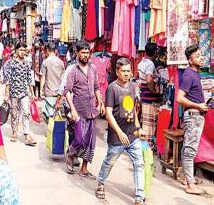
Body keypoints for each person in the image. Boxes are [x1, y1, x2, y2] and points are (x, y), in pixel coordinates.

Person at [95, 58, 146, 205]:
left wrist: (138, 127)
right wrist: (119, 132)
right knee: (109, 162)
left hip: (132, 134)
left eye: (128, 71)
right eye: (123, 71)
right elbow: (109, 114)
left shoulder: (131, 86)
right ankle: (101, 182)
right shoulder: (112, 88)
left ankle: (139, 196)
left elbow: (133, 109)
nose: (126, 74)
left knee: (139, 163)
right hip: (117, 137)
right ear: (117, 72)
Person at [63, 41, 104, 178]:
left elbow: (97, 87)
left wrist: (100, 102)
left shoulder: (93, 69)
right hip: (78, 111)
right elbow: (67, 91)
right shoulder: (73, 71)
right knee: (79, 139)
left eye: (87, 52)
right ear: (77, 53)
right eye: (83, 53)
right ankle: (70, 154)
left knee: (90, 142)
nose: (85, 55)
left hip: (92, 110)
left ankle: (84, 169)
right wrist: (72, 109)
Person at [176, 45, 208, 195]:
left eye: (201, 55)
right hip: (193, 116)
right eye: (197, 56)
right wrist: (198, 105)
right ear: (190, 60)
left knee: (188, 149)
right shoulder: (189, 75)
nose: (201, 58)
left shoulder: (195, 73)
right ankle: (190, 184)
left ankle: (186, 177)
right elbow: (179, 98)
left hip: (195, 116)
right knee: (190, 150)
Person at [4, 42, 37, 146]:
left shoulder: (27, 64)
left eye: (24, 50)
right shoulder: (11, 63)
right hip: (13, 92)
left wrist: (32, 93)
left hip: (24, 93)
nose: (22, 52)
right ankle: (14, 132)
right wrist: (6, 95)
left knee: (26, 113)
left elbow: (29, 80)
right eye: (21, 50)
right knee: (14, 113)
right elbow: (8, 80)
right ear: (16, 51)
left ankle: (26, 135)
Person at [137, 42, 162, 149]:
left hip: (144, 96)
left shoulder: (141, 62)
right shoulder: (150, 64)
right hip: (149, 97)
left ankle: (145, 147)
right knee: (150, 125)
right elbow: (148, 80)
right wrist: (154, 91)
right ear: (155, 52)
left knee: (146, 122)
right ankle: (147, 148)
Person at [40, 42, 65, 119]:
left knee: (49, 117)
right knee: (58, 116)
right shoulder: (61, 62)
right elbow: (63, 77)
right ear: (55, 50)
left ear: (47, 50)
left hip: (49, 93)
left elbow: (43, 77)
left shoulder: (46, 62)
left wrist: (41, 90)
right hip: (59, 93)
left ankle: (52, 130)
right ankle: (56, 130)